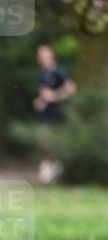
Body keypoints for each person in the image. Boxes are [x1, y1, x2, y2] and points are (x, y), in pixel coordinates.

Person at [33, 44, 76, 185]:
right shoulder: (42, 73)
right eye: (39, 55)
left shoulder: (59, 71)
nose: (41, 57)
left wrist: (55, 96)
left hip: (59, 114)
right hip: (46, 114)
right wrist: (40, 101)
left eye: (44, 54)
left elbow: (71, 88)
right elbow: (45, 93)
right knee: (43, 142)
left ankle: (56, 170)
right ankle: (49, 171)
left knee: (57, 143)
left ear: (51, 55)